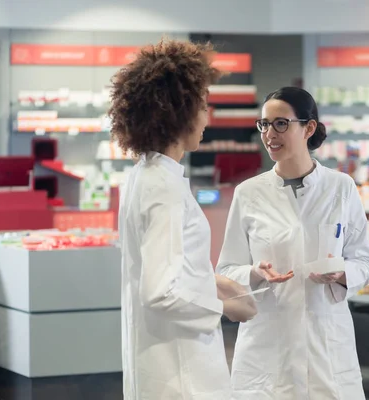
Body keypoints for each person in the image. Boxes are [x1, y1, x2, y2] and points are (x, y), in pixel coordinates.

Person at [109, 38, 256, 400]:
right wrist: (226, 307)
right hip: (180, 377)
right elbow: (161, 291)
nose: (208, 117)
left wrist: (220, 282)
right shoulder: (163, 187)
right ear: (178, 111)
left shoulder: (147, 175)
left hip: (162, 366)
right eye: (204, 106)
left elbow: (168, 267)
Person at [216, 86, 369, 399]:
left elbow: (364, 261)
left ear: (308, 127)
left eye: (281, 123)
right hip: (268, 346)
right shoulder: (249, 193)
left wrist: (341, 273)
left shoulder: (340, 188)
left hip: (326, 343)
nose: (269, 134)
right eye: (264, 124)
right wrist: (255, 272)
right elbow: (226, 268)